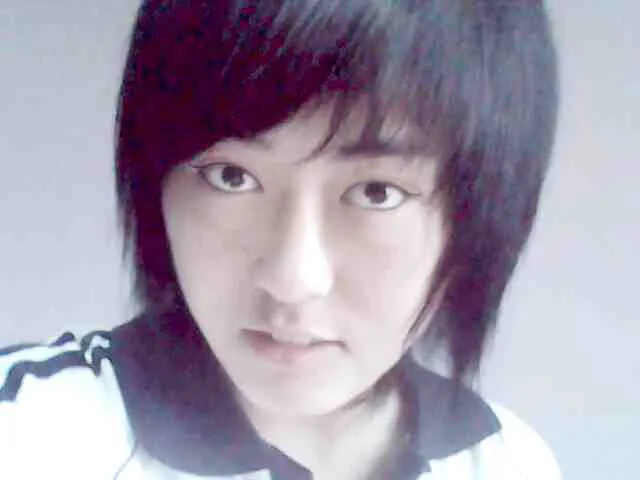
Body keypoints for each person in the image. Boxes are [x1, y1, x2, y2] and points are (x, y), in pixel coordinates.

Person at [0, 0, 561, 478]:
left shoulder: (506, 461)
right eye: (231, 177)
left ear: (475, 218)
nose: (293, 279)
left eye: (376, 192)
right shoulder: (31, 431)